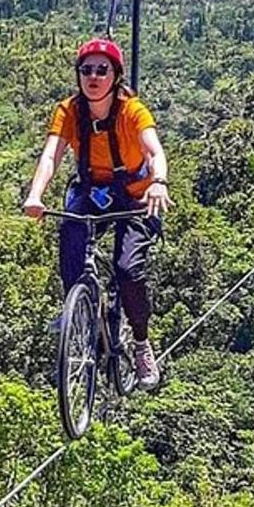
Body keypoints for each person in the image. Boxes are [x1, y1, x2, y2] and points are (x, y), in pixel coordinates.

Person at [22, 38, 173, 389]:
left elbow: (154, 151)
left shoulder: (132, 111)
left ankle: (140, 343)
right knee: (70, 235)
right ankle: (75, 310)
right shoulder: (70, 111)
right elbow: (51, 156)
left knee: (127, 269)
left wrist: (160, 181)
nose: (93, 76)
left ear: (115, 76)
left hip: (136, 197)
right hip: (93, 192)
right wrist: (35, 195)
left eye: (102, 70)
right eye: (86, 70)